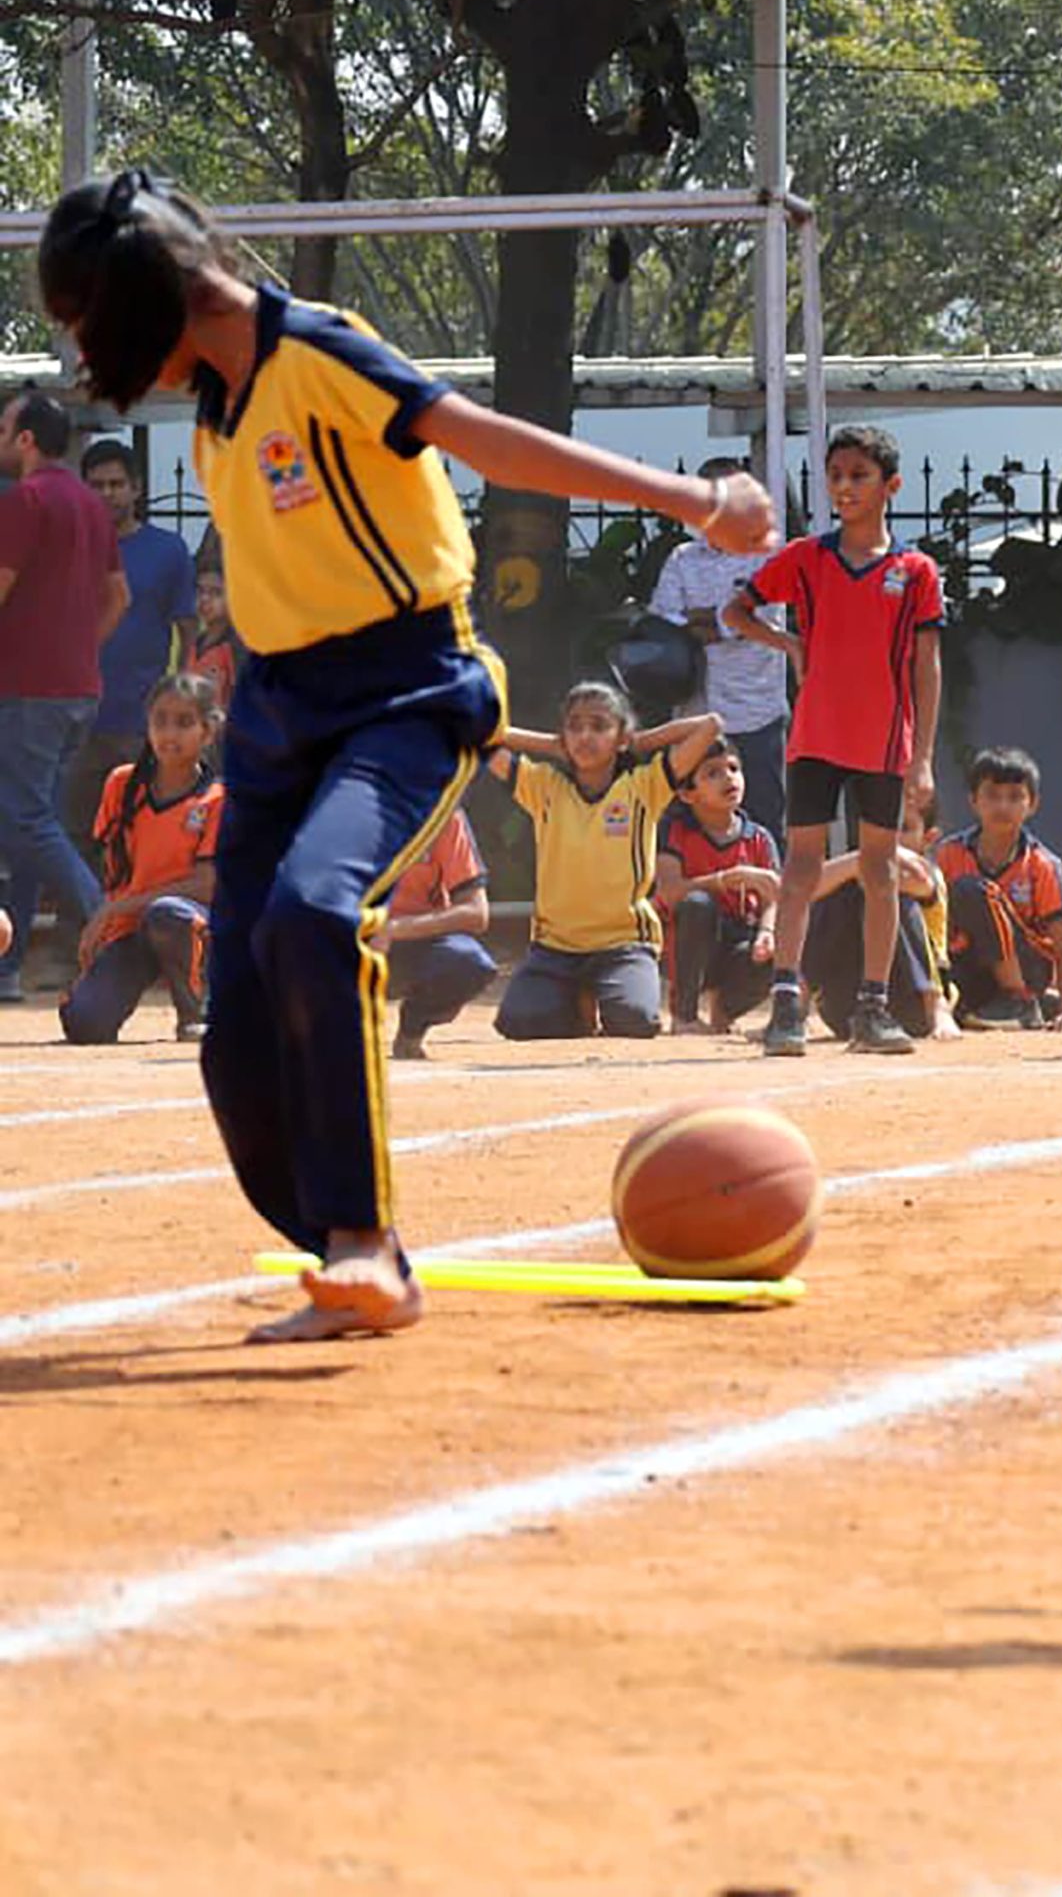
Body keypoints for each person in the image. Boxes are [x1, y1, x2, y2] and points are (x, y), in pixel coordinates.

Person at [36, 169, 778, 1338]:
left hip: (405, 689)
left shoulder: (318, 352)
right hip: (277, 712)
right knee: (236, 1038)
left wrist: (693, 498)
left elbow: (489, 442)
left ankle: (362, 1242)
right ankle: (339, 1248)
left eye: (89, 322)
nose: (85, 353)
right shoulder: (218, 407)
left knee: (311, 916)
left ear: (152, 298)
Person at [726, 424, 944, 1057]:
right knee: (801, 867)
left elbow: (927, 666)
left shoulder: (914, 571)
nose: (845, 487)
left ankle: (872, 1007)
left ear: (890, 486)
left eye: (859, 476)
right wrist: (788, 643)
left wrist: (922, 758)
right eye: (836, 476)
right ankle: (786, 1004)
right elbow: (737, 611)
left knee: (880, 869)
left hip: (883, 742)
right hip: (816, 736)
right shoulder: (807, 558)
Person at [485, 685, 722, 1040]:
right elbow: (475, 737)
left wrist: (638, 742)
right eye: (575, 726)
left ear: (621, 737)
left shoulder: (644, 787)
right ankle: (579, 1005)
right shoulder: (544, 786)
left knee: (635, 1021)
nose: (585, 736)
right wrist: (552, 745)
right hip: (555, 947)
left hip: (623, 945)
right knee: (518, 1022)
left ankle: (603, 992)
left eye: (599, 726)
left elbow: (710, 725)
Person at [0, 387, 124, 1003]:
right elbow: (119, 597)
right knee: (28, 823)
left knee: (25, 820)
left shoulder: (24, 500)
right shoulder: (91, 506)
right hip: (78, 688)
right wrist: (79, 647)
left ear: (25, 440)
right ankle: (8, 964)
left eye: (4, 429)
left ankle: (109, 923)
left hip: (28, 688)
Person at [60, 670, 222, 1044]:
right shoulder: (121, 784)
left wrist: (116, 909)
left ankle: (195, 1011)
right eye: (160, 721)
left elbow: (207, 886)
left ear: (208, 732)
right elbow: (114, 869)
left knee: (168, 913)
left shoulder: (218, 798)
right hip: (133, 927)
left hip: (198, 927)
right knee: (85, 1025)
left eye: (184, 723)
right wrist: (106, 924)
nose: (169, 734)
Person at [64, 436, 197, 876]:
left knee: (139, 830)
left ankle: (133, 914)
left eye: (116, 484)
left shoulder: (168, 551)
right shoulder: (67, 548)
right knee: (73, 831)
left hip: (141, 719)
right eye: (97, 485)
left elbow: (188, 628)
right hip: (75, 715)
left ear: (136, 488)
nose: (107, 494)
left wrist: (178, 703)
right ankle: (81, 916)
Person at [649, 454, 790, 838]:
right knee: (686, 823)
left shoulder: (767, 555)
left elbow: (760, 622)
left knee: (762, 821)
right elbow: (665, 623)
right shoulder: (682, 559)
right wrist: (726, 619)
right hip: (694, 714)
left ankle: (765, 879)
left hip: (755, 712)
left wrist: (710, 620)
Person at [934, 746, 1062, 1030]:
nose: (1002, 807)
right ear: (973, 801)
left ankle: (1020, 1000)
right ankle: (1006, 1005)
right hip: (971, 963)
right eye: (992, 795)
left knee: (971, 891)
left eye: (1014, 797)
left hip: (1028, 968)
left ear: (1032, 804)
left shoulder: (1041, 864)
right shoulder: (949, 854)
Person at [804, 779, 954, 1044]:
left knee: (891, 894)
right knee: (839, 894)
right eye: (884, 827)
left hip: (912, 1001)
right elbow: (806, 890)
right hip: (848, 1005)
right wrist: (861, 858)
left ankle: (938, 1008)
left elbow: (918, 881)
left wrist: (887, 855)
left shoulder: (928, 874)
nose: (891, 837)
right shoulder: (857, 865)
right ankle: (796, 1007)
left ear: (928, 838)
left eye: (903, 829)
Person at [655, 735, 782, 1035]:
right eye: (712, 773)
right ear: (688, 794)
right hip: (689, 945)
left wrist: (767, 932)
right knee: (697, 905)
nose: (728, 778)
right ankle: (684, 1013)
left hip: (740, 941)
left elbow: (774, 896)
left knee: (777, 947)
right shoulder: (675, 832)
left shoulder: (759, 837)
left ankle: (725, 1011)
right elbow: (669, 892)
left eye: (734, 768)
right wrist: (722, 880)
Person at [372, 806, 497, 1059]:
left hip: (412, 943)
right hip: (340, 940)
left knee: (467, 962)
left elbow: (476, 912)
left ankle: (413, 1028)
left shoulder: (442, 813)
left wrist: (393, 929)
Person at [187, 556, 239, 712]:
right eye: (200, 591)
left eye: (216, 593)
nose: (205, 599)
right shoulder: (197, 642)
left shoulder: (236, 647)